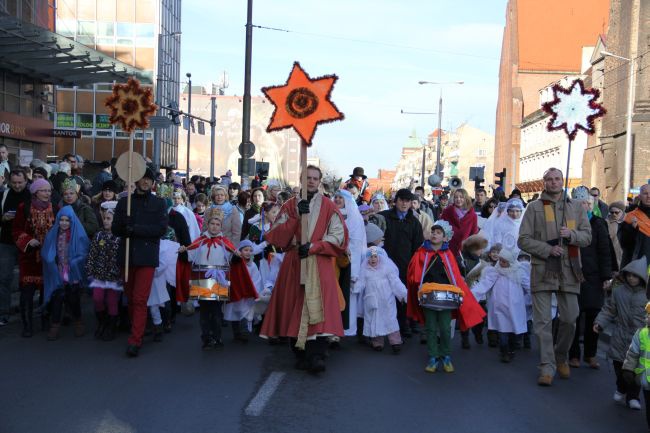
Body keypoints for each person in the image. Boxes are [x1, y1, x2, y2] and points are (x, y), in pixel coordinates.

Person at [260, 165, 349, 373]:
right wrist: (294, 219)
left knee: (319, 307)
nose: (311, 181)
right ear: (301, 179)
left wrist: (315, 246)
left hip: (319, 262)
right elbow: (275, 236)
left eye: (315, 178)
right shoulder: (291, 205)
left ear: (319, 182)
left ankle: (317, 354)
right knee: (296, 307)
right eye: (307, 177)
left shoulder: (328, 206)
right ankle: (300, 353)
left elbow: (339, 235)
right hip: (295, 263)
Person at [518, 167, 592, 386]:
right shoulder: (533, 207)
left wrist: (572, 235)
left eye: (557, 179)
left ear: (562, 181)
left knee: (570, 318)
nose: (553, 183)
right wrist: (547, 249)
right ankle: (547, 366)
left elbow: (587, 237)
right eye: (549, 179)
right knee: (542, 323)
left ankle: (561, 356)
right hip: (542, 270)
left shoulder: (576, 208)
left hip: (570, 270)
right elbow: (523, 240)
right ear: (544, 183)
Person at [406, 220, 485, 373]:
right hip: (428, 295)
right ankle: (433, 356)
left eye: (438, 233)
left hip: (446, 297)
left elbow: (455, 276)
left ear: (445, 237)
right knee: (430, 327)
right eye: (433, 232)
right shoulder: (421, 252)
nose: (434, 234)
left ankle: (446, 355)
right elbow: (413, 273)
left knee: (444, 328)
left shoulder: (448, 254)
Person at [112, 167, 168, 357]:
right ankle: (138, 328)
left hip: (146, 257)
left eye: (149, 179)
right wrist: (123, 225)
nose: (145, 182)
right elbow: (115, 230)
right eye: (142, 178)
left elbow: (160, 229)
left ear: (153, 183)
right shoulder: (123, 203)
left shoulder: (159, 203)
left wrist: (135, 228)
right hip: (127, 257)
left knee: (140, 298)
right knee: (129, 297)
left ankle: (135, 339)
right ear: (136, 181)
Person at [594, 257, 648, 411]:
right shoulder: (618, 292)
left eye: (635, 276)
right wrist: (600, 323)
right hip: (620, 335)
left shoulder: (646, 296)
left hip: (638, 339)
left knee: (636, 370)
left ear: (642, 277)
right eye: (629, 275)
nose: (631, 278)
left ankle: (633, 397)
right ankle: (621, 387)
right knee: (620, 368)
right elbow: (609, 310)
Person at [568, 186, 613, 370]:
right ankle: (573, 355)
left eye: (585, 203)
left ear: (590, 204)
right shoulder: (570, 223)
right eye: (579, 203)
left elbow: (605, 251)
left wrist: (606, 276)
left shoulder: (598, 223)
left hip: (593, 277)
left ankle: (590, 353)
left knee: (594, 316)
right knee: (573, 317)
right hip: (573, 274)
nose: (582, 206)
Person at [12, 178, 56, 337]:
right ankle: (27, 325)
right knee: (27, 294)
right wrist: (29, 240)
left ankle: (46, 320)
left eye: (49, 190)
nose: (47, 193)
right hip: (29, 258)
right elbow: (16, 230)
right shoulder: (24, 208)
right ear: (35, 192)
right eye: (44, 190)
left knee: (47, 292)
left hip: (48, 258)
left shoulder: (55, 207)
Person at [470, 249, 530, 363]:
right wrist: (472, 294)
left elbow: (529, 286)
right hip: (500, 307)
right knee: (502, 332)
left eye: (504, 261)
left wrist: (535, 297)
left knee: (514, 332)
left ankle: (511, 350)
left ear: (511, 262)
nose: (501, 263)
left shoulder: (518, 273)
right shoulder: (495, 272)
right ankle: (504, 352)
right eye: (500, 260)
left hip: (515, 308)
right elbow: (484, 284)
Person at [379, 188, 424, 337]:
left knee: (403, 297)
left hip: (405, 266)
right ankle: (382, 328)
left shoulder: (414, 222)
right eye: (401, 200)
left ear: (411, 203)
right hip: (383, 264)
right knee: (384, 296)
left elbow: (418, 247)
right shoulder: (383, 217)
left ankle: (403, 326)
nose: (404, 204)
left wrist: (414, 266)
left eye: (407, 201)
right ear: (395, 201)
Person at [41, 206, 89, 340]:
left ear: (72, 221)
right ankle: (55, 326)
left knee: (73, 298)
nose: (63, 223)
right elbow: (46, 250)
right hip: (58, 272)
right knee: (57, 298)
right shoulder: (53, 233)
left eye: (67, 220)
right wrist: (51, 261)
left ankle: (78, 321)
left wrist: (74, 263)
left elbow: (84, 252)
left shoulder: (78, 234)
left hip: (72, 273)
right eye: (61, 220)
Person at [357, 246, 407, 353]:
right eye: (370, 257)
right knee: (374, 320)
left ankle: (395, 342)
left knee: (390, 319)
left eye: (375, 256)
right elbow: (361, 283)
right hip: (371, 301)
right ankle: (377, 342)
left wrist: (402, 294)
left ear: (380, 257)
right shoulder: (365, 270)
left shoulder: (387, 269)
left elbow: (395, 282)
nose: (373, 259)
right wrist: (355, 288)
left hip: (386, 301)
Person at [86, 201, 122, 341]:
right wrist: (89, 270)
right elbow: (92, 254)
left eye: (109, 219)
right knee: (97, 298)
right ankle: (102, 322)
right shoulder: (99, 235)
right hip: (99, 275)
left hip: (114, 276)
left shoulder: (120, 237)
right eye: (105, 218)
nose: (106, 221)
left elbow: (122, 257)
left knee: (112, 301)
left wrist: (120, 273)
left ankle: (111, 327)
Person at [334, 189, 367, 337]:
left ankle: (347, 329)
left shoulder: (355, 217)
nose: (338, 200)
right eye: (336, 197)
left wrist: (354, 271)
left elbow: (357, 243)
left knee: (349, 298)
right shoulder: (331, 214)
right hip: (333, 260)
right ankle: (333, 329)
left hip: (349, 263)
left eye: (341, 198)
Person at [0, 169, 29, 326]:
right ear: (9, 182)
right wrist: (3, 217)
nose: (17, 185)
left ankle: (26, 311)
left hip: (26, 241)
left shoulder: (32, 194)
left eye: (20, 182)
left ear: (26, 181)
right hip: (6, 241)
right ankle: (3, 312)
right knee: (4, 278)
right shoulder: (4, 194)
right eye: (14, 182)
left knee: (26, 278)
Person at [224, 239, 262, 342]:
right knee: (235, 312)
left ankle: (244, 332)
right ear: (240, 251)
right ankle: (236, 333)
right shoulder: (234, 264)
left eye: (250, 250)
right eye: (245, 250)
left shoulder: (252, 266)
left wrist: (253, 290)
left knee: (245, 312)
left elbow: (256, 279)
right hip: (236, 292)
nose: (248, 252)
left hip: (247, 294)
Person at [622, 302, 650, 429]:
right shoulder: (642, 333)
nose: (647, 318)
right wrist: (628, 369)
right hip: (645, 381)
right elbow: (633, 353)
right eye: (648, 315)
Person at [441, 188, 478, 256]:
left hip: (464, 252)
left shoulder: (472, 215)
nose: (458, 199)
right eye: (456, 197)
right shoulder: (447, 212)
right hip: (447, 249)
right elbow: (440, 229)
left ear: (466, 198)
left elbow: (474, 234)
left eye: (461, 197)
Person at [620, 184, 650, 268]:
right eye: (645, 193)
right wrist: (633, 229)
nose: (649, 196)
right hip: (637, 264)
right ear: (639, 197)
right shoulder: (630, 217)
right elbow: (624, 243)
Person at [606, 200, 626, 269]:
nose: (614, 214)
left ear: (622, 212)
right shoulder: (606, 223)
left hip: (624, 255)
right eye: (612, 212)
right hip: (610, 255)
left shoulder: (627, 223)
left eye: (616, 212)